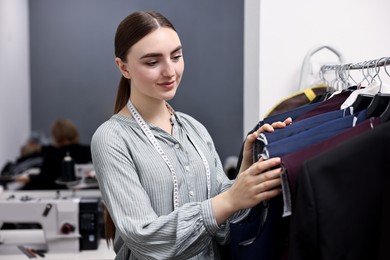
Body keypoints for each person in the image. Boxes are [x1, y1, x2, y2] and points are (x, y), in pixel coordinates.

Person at [91, 11, 291, 260]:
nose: (170, 71)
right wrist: (230, 198)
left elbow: (225, 230)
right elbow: (147, 241)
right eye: (152, 62)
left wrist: (244, 176)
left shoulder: (194, 129)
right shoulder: (111, 138)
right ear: (124, 67)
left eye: (176, 56)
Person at [20, 118, 92, 190]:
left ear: (55, 136)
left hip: (57, 194)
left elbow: (43, 182)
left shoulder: (52, 156)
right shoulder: (89, 151)